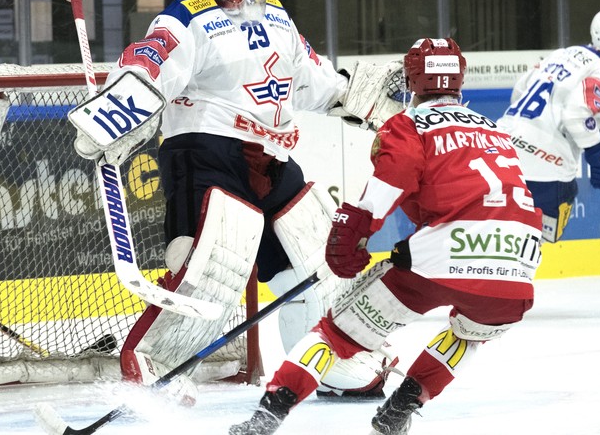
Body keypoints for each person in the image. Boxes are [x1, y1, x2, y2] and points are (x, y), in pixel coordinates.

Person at [71, 0, 405, 402]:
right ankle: (154, 368)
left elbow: (313, 80)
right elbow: (148, 64)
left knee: (314, 266)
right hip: (206, 152)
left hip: (273, 157)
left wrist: (366, 102)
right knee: (206, 270)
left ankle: (331, 363)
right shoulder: (185, 18)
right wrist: (112, 114)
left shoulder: (275, 15)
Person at [230, 37, 543, 435]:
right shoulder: (495, 130)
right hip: (519, 268)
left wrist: (351, 233)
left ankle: (266, 418)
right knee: (469, 334)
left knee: (335, 334)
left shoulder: (409, 125)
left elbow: (390, 184)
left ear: (412, 79)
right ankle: (403, 407)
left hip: (443, 254)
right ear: (459, 78)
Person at [497, 8, 600, 244]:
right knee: (529, 246)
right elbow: (576, 113)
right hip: (545, 166)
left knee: (492, 237)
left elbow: (520, 89)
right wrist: (597, 152)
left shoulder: (564, 54)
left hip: (500, 148)